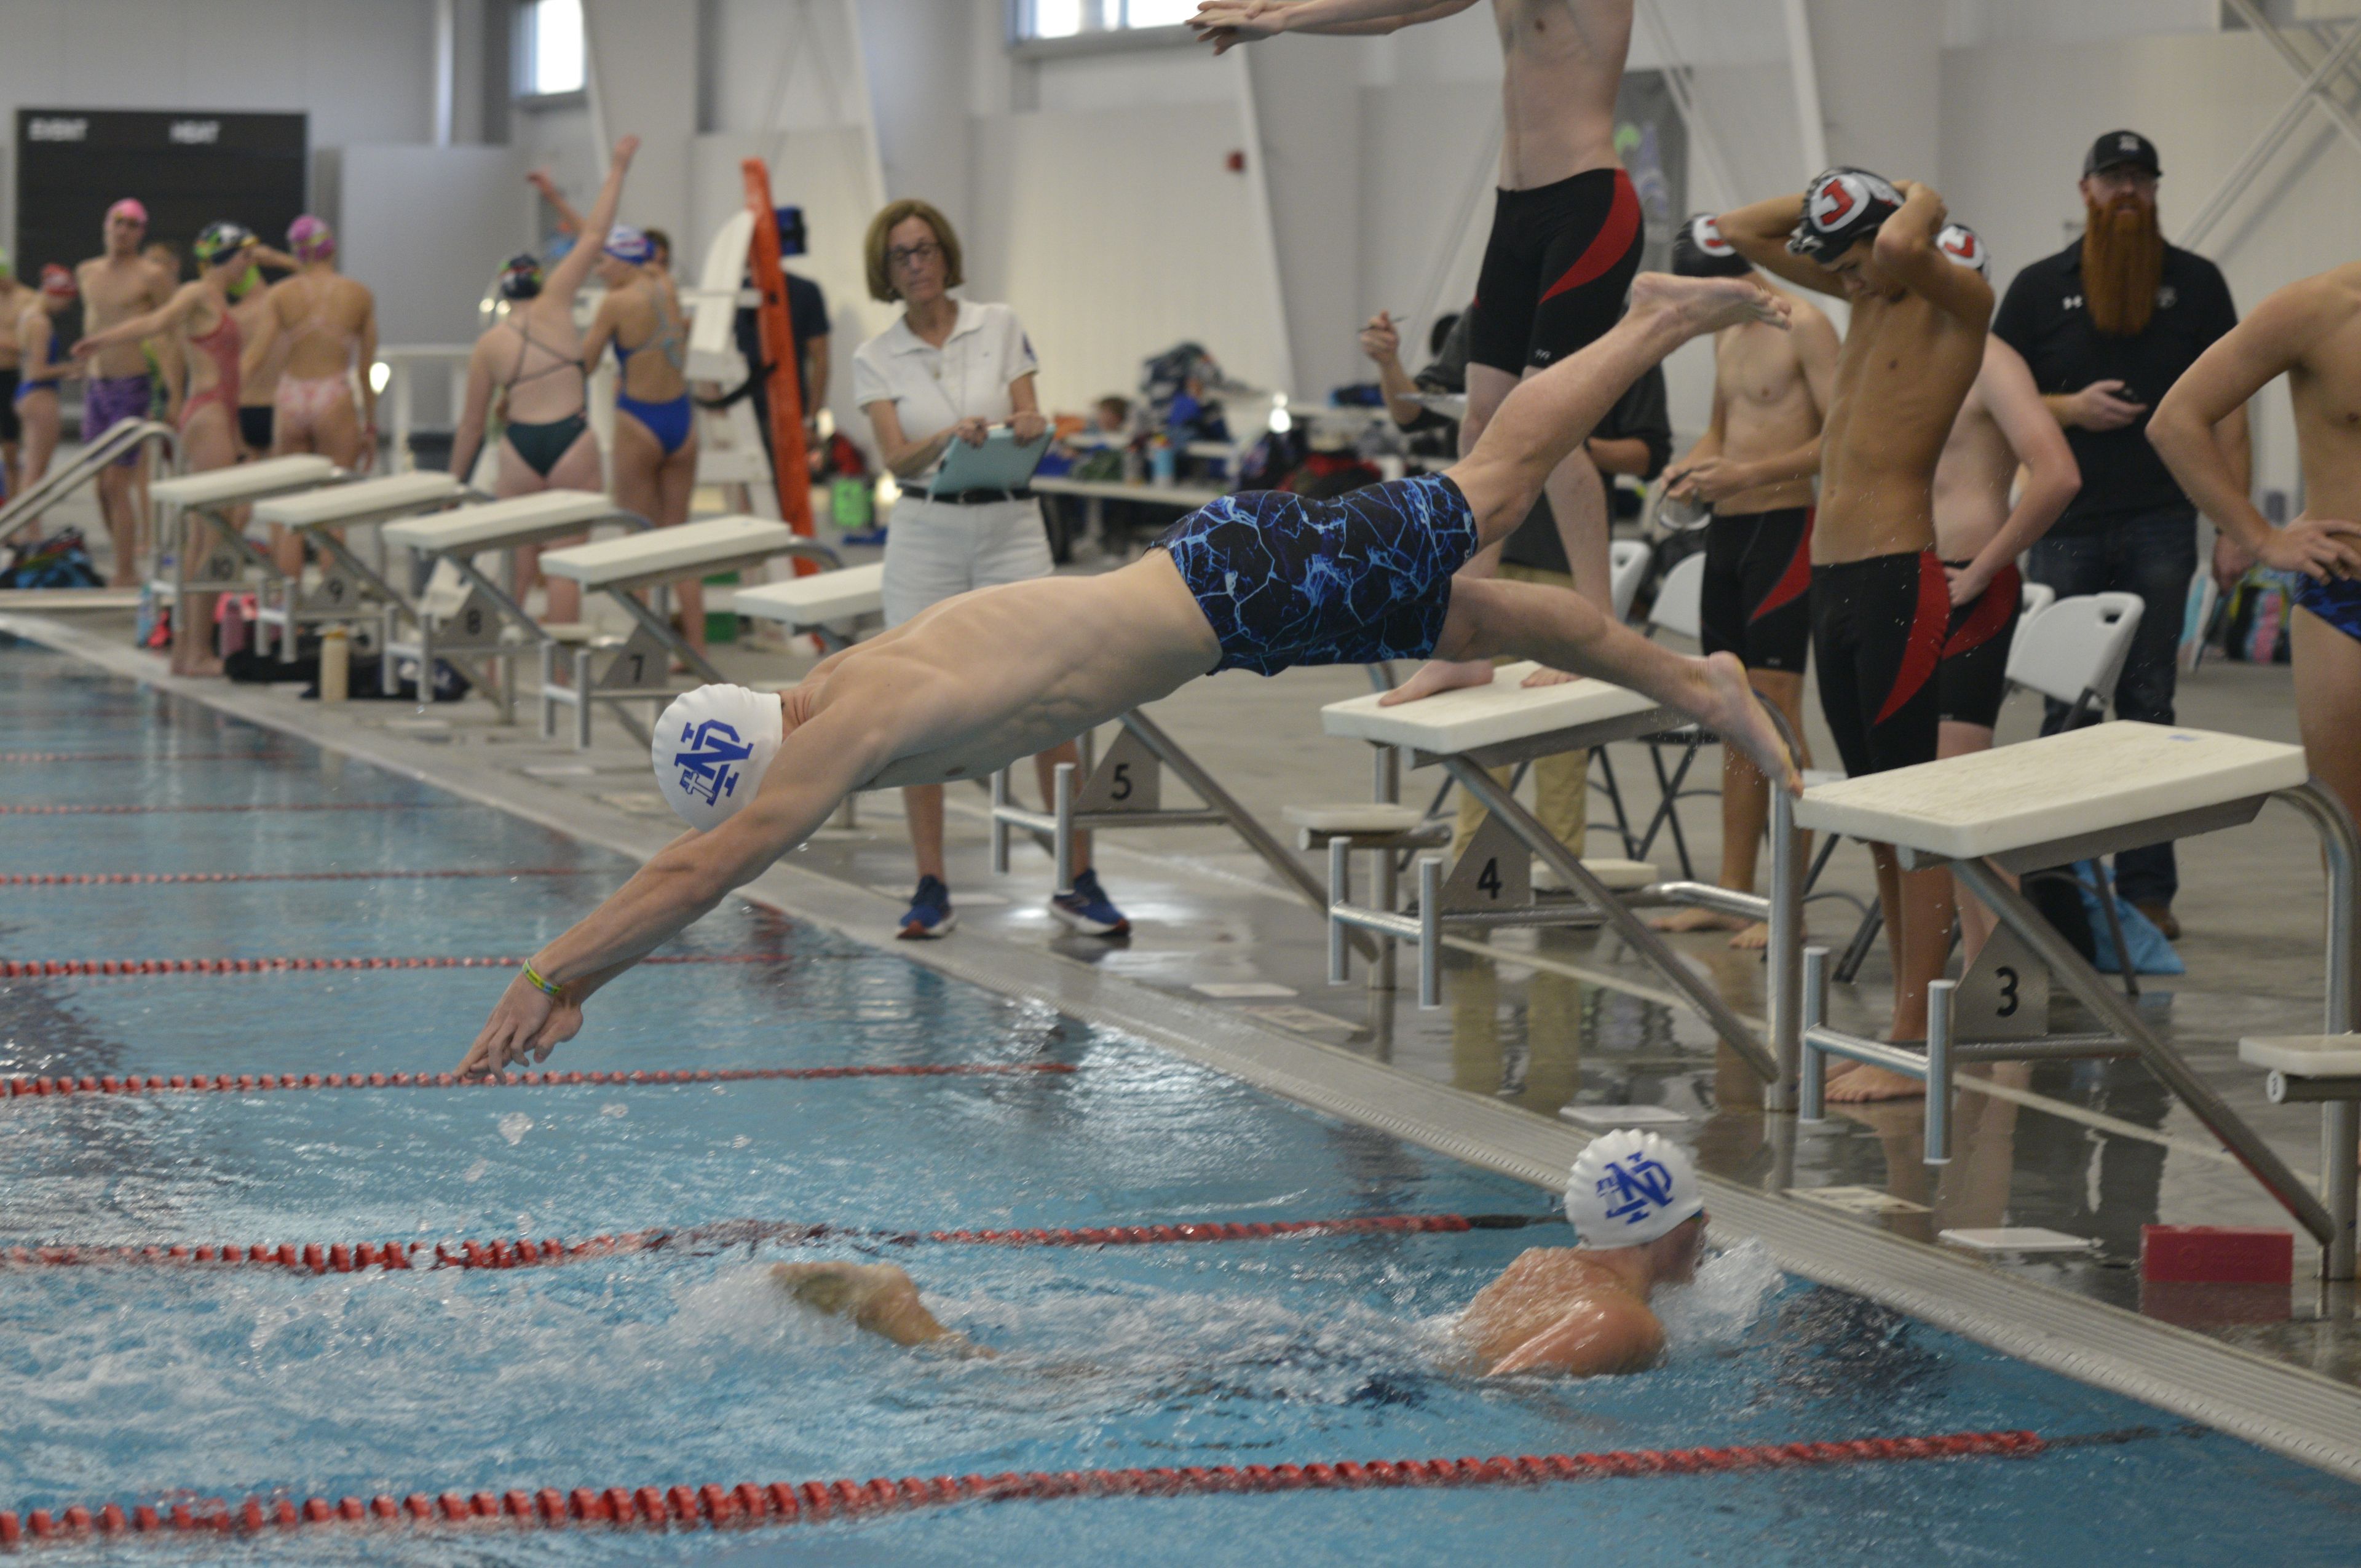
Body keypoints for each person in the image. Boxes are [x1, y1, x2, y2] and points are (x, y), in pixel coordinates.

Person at [451, 269, 1797, 1079]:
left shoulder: (855, 720)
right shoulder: (847, 682)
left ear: (758, 757)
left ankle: (1655, 322)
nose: (771, 807)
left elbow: (706, 868)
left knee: (1491, 489)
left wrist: (560, 976)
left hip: (1234, 587)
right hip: (1228, 600)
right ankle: (1700, 686)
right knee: (1488, 619)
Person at [1197, 1, 1643, 708]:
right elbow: (1396, 17)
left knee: (1553, 431)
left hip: (1588, 204)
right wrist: (1280, 20)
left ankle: (1602, 630)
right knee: (1482, 424)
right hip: (1517, 209)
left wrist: (1282, 15)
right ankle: (1467, 640)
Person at [1717, 169, 1990, 1100]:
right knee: (1874, 806)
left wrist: (1918, 196)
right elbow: (1738, 229)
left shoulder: (1955, 301)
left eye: (1854, 263)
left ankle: (1918, 1028)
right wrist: (1832, 196)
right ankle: (1908, 1014)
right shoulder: (1868, 290)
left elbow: (1908, 248)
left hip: (1896, 576)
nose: (1849, 282)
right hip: (1831, 579)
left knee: (1910, 811)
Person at [769, 1128, 1706, 1377]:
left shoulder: (1548, 1267)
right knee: (1072, 1378)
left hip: (1362, 1350)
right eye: (1699, 1220)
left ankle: (918, 1322)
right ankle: (912, 1322)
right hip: (1384, 1379)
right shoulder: (1619, 1320)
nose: (1708, 1238)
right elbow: (1507, 1384)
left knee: (1123, 1366)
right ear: (1666, 1226)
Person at [852, 197, 1131, 943]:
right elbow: (893, 456)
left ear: (946, 255)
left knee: (1056, 698)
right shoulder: (874, 356)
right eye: (900, 256)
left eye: (924, 250)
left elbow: (1027, 414)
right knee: (911, 706)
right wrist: (948, 435)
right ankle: (931, 884)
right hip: (926, 533)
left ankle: (1078, 878)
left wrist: (1027, 424)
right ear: (886, 271)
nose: (915, 265)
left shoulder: (999, 324)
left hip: (1010, 523)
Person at [1990, 131, 2244, 942]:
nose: (2127, 190)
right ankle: (2055, 887)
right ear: (2086, 190)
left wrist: (2237, 525)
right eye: (2114, 178)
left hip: (2164, 522)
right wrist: (2068, 410)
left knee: (2148, 705)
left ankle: (2146, 892)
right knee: (2066, 707)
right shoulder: (2036, 290)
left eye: (2140, 178)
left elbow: (2234, 402)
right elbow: (1995, 397)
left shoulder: (2199, 286)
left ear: (2156, 190)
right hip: (2061, 525)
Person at [1375, 306, 1672, 872]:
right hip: (1490, 556)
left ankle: (1560, 865)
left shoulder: (1605, 322)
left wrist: (1549, 438)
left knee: (1559, 729)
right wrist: (1390, 363)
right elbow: (1415, 412)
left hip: (1561, 560)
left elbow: (1650, 452)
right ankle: (1477, 866)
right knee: (1478, 722)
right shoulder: (1488, 319)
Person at [1649, 214, 1839, 949]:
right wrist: (1693, 467)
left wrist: (1749, 473)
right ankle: (1734, 894)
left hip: (1786, 536)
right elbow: (1722, 432)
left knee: (1779, 713)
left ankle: (1788, 901)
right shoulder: (1729, 334)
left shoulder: (1809, 328)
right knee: (1729, 710)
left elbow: (1841, 439)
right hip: (1729, 536)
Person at [2148, 263, 2361, 839]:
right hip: (2346, 598)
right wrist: (2261, 537)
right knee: (2350, 837)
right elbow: (2176, 421)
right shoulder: (2317, 309)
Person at [1925, 224, 2081, 965]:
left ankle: (1999, 972)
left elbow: (2058, 475)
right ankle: (1964, 965)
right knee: (1918, 789)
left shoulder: (1991, 361)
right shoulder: (1901, 359)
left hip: (1966, 583)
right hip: (1909, 584)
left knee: (1964, 790)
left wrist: (1985, 567)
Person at [452, 137, 639, 632]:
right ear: (539, 280)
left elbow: (472, 426)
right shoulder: (558, 300)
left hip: (518, 450)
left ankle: (491, 669)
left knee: (515, 564)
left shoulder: (489, 344)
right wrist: (619, 166)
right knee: (563, 568)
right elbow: (596, 234)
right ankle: (561, 675)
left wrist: (453, 486)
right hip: (571, 442)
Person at [74, 223, 260, 676]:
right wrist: (104, 339)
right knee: (210, 536)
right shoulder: (198, 294)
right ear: (224, 257)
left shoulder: (221, 299)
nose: (249, 267)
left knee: (205, 537)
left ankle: (187, 651)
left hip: (219, 416)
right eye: (244, 258)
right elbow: (156, 322)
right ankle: (195, 651)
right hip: (209, 413)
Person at [582, 222, 703, 652]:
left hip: (640, 422)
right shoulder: (665, 285)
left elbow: (587, 364)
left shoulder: (615, 303)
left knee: (638, 541)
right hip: (683, 423)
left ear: (623, 260)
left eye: (603, 262)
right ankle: (697, 653)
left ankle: (647, 651)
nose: (598, 271)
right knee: (679, 543)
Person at [76, 199, 176, 587]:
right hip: (96, 387)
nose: (124, 231)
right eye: (118, 222)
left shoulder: (152, 276)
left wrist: (172, 392)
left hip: (132, 385)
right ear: (106, 225)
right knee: (101, 487)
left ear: (142, 232)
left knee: (119, 484)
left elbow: (173, 331)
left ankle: (126, 571)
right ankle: (122, 558)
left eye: (133, 225)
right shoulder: (87, 272)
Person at [710, 206, 831, 473]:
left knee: (785, 492)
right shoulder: (733, 296)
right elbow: (715, 356)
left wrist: (809, 420)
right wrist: (719, 415)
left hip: (787, 411)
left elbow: (820, 360)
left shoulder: (804, 292)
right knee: (749, 493)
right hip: (743, 410)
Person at [13, 266, 79, 494]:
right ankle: (31, 529)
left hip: (27, 394)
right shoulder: (41, 323)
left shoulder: (27, 314)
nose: (67, 307)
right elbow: (38, 371)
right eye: (67, 300)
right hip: (40, 397)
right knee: (36, 470)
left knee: (33, 468)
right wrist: (73, 368)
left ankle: (29, 526)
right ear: (55, 294)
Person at [0, 248, 25, 497]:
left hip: (11, 376)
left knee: (11, 446)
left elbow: (32, 344)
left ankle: (15, 499)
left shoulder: (26, 299)